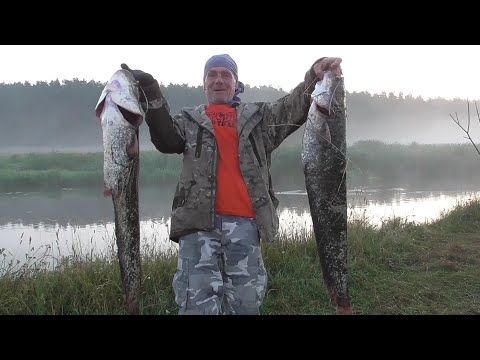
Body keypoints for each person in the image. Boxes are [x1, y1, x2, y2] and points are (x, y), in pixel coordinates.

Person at [121, 54, 342, 315]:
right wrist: (151, 91)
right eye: (212, 75)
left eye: (226, 75)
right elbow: (166, 140)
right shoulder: (188, 120)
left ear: (236, 84)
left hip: (247, 225)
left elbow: (292, 107)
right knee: (197, 306)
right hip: (197, 226)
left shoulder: (260, 118)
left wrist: (314, 76)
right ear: (204, 84)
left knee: (246, 305)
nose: (219, 81)